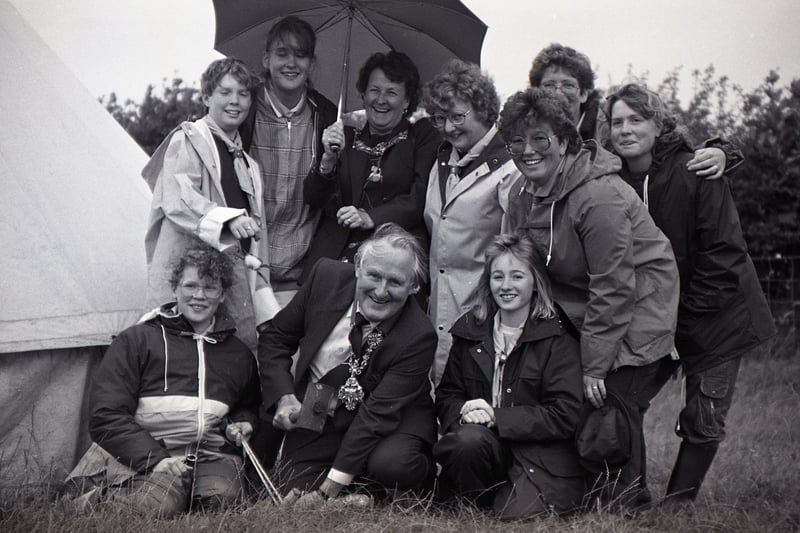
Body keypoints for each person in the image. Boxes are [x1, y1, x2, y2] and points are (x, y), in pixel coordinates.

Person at [501, 87, 680, 507]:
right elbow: (517, 264)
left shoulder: (598, 197)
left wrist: (596, 365)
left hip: (640, 308)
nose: (527, 151)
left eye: (540, 139)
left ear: (564, 141)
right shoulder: (519, 195)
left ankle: (625, 503)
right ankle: (574, 489)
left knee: (609, 397)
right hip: (580, 308)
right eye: (516, 142)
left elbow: (614, 286)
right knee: (565, 392)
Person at [605, 83, 776, 505]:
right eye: (617, 122)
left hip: (719, 317)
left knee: (704, 414)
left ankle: (679, 506)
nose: (625, 130)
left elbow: (722, 256)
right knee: (623, 396)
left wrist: (679, 320)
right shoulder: (611, 181)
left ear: (657, 123)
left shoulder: (696, 170)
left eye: (636, 119)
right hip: (655, 317)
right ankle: (631, 497)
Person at [65, 244, 261, 517]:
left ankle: (185, 492)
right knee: (157, 506)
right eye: (190, 286)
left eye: (210, 287)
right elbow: (105, 415)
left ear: (222, 294)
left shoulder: (238, 354)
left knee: (224, 503)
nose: (199, 296)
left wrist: (245, 420)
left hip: (210, 454)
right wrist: (155, 460)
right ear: (175, 288)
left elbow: (249, 404)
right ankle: (88, 498)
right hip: (150, 452)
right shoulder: (136, 340)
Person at [258, 223, 437, 503]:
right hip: (321, 404)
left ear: (413, 286)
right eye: (374, 276)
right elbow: (276, 339)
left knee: (392, 464)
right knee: (290, 492)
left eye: (395, 282)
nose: (381, 290)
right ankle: (356, 488)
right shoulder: (324, 277)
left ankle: (390, 487)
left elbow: (375, 416)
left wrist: (328, 490)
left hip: (391, 419)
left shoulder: (419, 335)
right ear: (357, 267)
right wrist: (284, 396)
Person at [434, 233, 585, 519]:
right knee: (466, 441)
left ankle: (509, 493)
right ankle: (476, 495)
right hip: (483, 445)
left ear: (535, 281)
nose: (506, 286)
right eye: (497, 276)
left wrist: (497, 417)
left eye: (517, 276)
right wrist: (464, 411)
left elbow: (565, 413)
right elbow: (446, 395)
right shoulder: (471, 329)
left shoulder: (558, 337)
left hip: (538, 452)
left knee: (517, 514)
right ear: (487, 281)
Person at [143, 57, 278, 353]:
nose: (235, 102)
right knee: (179, 358)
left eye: (243, 94)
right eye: (225, 92)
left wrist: (262, 284)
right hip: (190, 280)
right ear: (206, 97)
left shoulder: (249, 165)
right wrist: (227, 220)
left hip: (234, 281)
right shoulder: (188, 139)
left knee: (233, 361)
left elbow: (258, 235)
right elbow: (179, 197)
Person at [422, 59, 520, 386]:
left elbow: (514, 252)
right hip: (437, 309)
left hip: (482, 316)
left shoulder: (509, 169)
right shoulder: (441, 162)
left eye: (457, 117)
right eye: (441, 118)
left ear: (483, 109)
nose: (449, 128)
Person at [302, 51, 440, 272]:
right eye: (374, 90)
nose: (381, 99)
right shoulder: (343, 137)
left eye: (392, 92)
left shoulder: (422, 137)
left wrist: (370, 217)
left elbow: (419, 197)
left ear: (406, 100)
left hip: (394, 255)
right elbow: (314, 198)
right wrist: (328, 158)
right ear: (363, 95)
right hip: (336, 256)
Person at [528, 43, 742, 179]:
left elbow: (667, 148)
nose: (558, 92)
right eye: (549, 85)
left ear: (584, 93)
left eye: (567, 85)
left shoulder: (610, 124)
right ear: (536, 91)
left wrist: (722, 153)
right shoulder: (528, 131)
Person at [239, 16, 338, 307]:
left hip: (300, 273)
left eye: (301, 54)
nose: (291, 63)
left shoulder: (327, 115)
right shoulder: (244, 107)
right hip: (248, 264)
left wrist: (330, 160)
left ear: (311, 63)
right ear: (266, 59)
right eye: (282, 53)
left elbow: (322, 199)